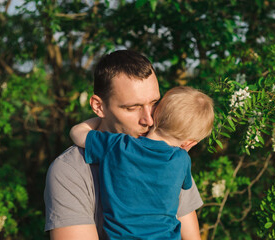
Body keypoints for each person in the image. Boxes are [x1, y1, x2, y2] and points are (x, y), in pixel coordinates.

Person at [44, 50, 205, 240]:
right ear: (98, 107)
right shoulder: (70, 171)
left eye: (154, 103)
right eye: (132, 107)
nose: (149, 120)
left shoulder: (170, 155)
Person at [69, 86, 214, 239]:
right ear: (189, 143)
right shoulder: (182, 160)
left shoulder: (118, 145)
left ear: (155, 114)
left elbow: (76, 133)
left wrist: (103, 117)